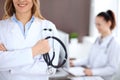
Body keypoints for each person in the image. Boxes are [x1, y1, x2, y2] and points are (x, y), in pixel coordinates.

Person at [0, 0, 60, 80]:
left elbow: (50, 69)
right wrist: (34, 51)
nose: (21, 0)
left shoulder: (48, 27)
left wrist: (10, 65)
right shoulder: (1, 27)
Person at [70, 10, 120, 80]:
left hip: (102, 78)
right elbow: (89, 59)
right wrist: (74, 63)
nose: (97, 27)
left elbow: (112, 69)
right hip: (92, 76)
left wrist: (93, 72)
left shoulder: (114, 44)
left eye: (99, 24)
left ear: (108, 23)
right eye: (96, 24)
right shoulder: (97, 40)